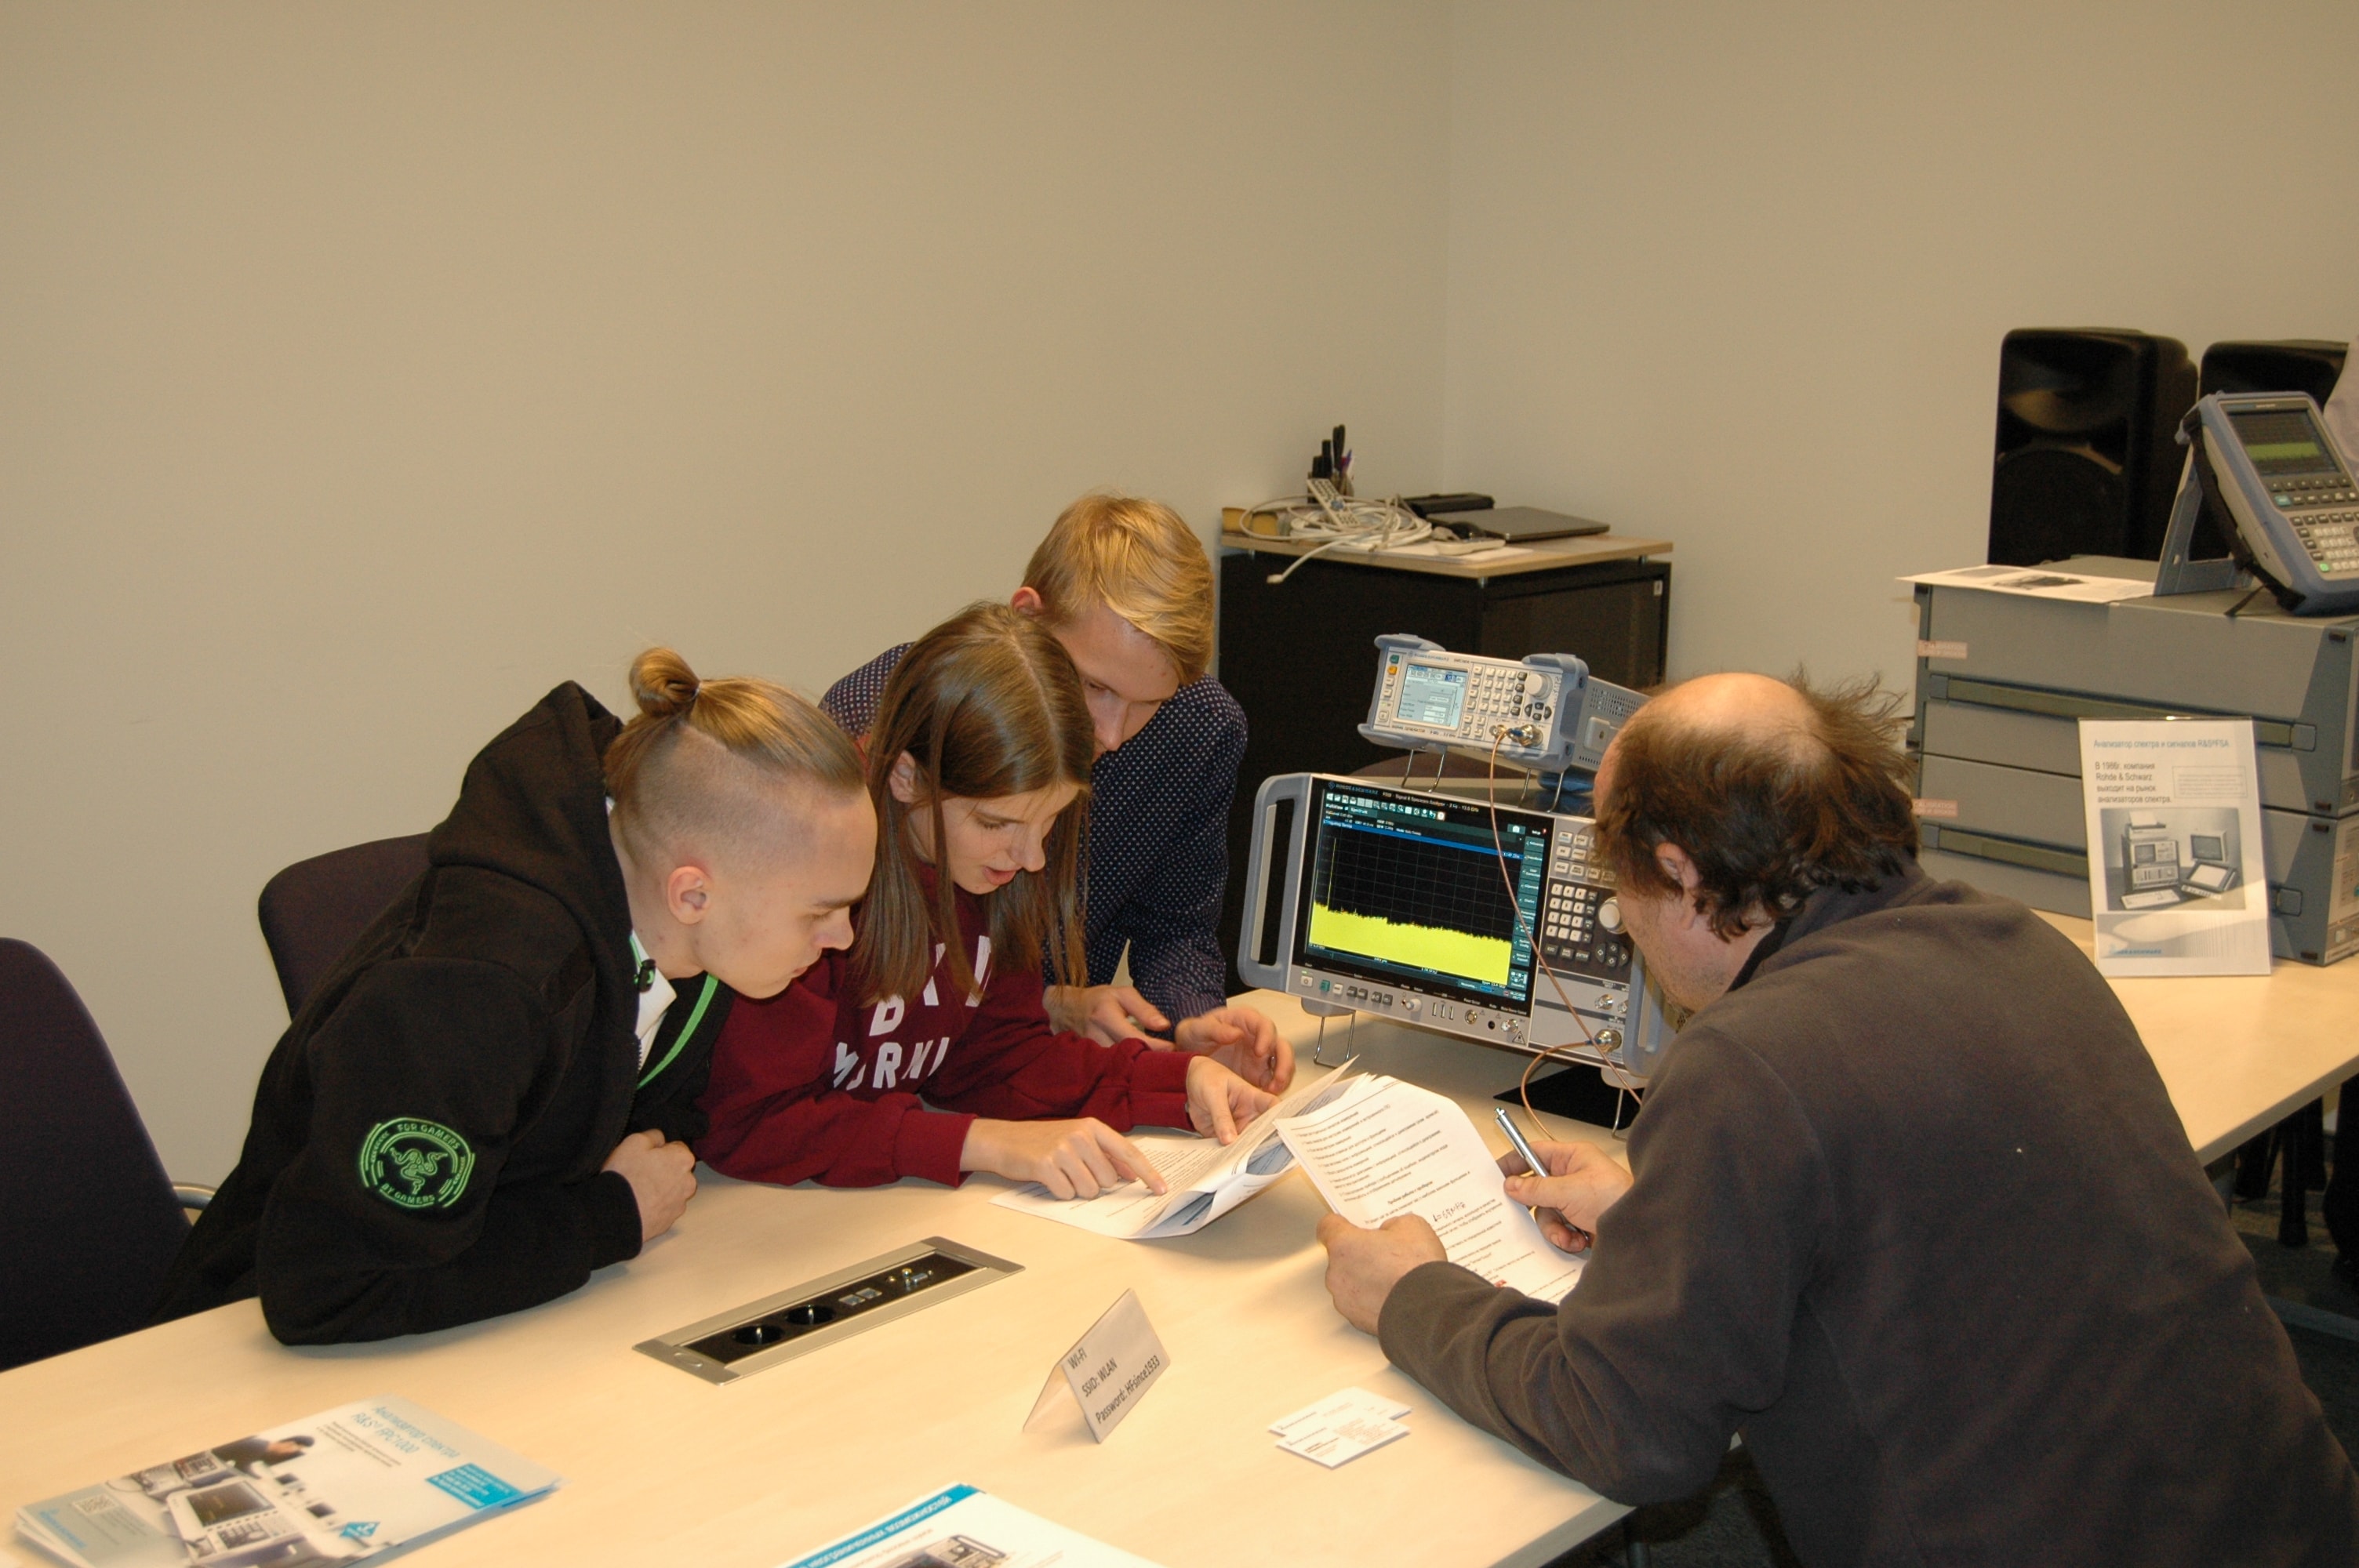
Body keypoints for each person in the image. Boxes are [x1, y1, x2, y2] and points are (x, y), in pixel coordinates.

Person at [1316, 672, 2359, 1566]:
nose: (1620, 918)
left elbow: (1629, 1432)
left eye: (1615, 876)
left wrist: (1412, 1294)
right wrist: (1665, 1214)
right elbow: (1910, 1222)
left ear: (1677, 870)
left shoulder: (1747, 1062)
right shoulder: (2016, 943)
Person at [154, 651, 875, 1344]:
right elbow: (331, 1287)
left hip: (492, 1321)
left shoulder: (685, 943)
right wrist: (609, 1217)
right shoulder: (476, 997)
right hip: (254, 1352)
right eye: (820, 911)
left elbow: (648, 1132)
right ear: (692, 894)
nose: (842, 937)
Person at [701, 602, 1278, 1196]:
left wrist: (1181, 1080)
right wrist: (981, 1144)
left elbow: (1000, 1057)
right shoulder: (818, 889)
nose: (1031, 858)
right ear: (906, 777)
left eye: (1049, 822)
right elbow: (752, 1125)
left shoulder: (992, 867)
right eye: (995, 823)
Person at [823, 492, 1276, 1068]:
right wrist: (1052, 1005)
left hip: (1036, 1067)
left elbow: (1176, 925)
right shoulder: (886, 716)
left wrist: (1190, 1023)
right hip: (899, 1068)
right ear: (1028, 617)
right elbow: (836, 970)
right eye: (1094, 686)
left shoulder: (1199, 727)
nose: (1110, 734)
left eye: (1149, 704)